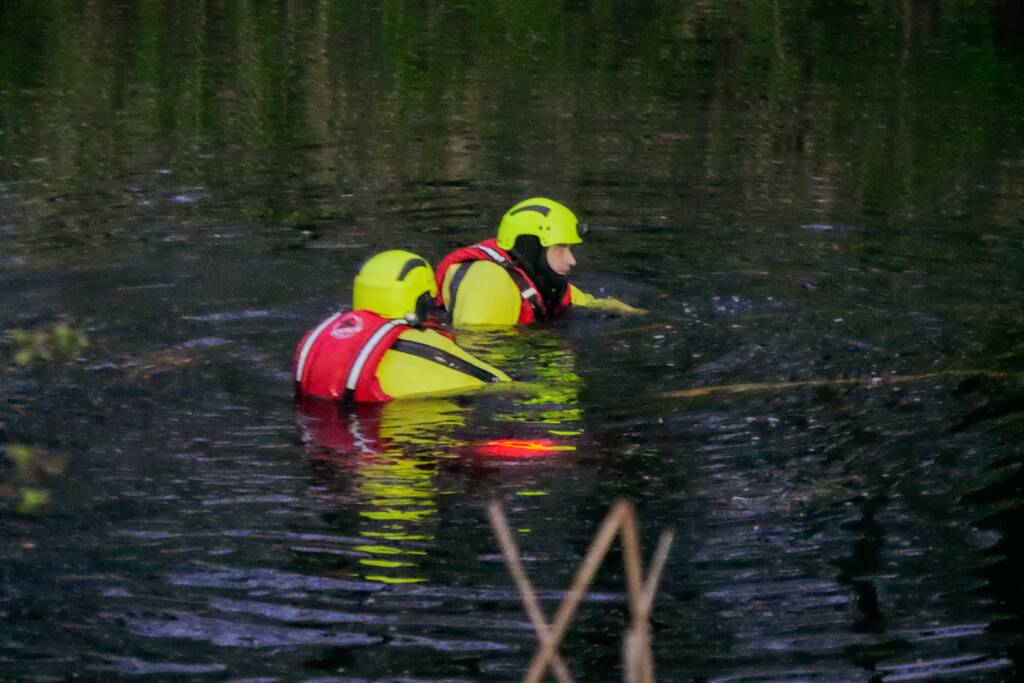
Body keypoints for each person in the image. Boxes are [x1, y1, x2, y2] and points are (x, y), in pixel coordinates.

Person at [294, 250, 510, 403]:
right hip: (389, 440)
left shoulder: (326, 333)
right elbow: (498, 383)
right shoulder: (425, 344)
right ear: (422, 299)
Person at [434, 197, 645, 327]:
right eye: (561, 249)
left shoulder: (540, 279)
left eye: (570, 249)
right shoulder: (489, 282)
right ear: (532, 248)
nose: (571, 260)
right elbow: (476, 347)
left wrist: (643, 317)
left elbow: (587, 302)